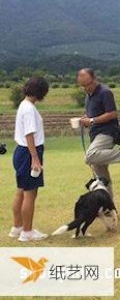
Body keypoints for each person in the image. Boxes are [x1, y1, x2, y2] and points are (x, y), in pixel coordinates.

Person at [77, 68, 120, 197]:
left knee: (90, 156)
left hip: (107, 132)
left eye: (88, 84)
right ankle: (109, 208)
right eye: (83, 86)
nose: (86, 88)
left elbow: (113, 113)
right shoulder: (88, 97)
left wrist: (91, 120)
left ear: (94, 79)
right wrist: (85, 120)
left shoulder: (105, 92)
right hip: (95, 134)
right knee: (102, 176)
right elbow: (93, 115)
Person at [9, 76, 50, 242]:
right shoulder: (29, 109)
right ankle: (27, 232)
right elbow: (29, 134)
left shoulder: (24, 105)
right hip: (29, 153)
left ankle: (17, 227)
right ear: (41, 92)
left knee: (21, 191)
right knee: (30, 193)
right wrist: (35, 158)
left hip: (21, 152)